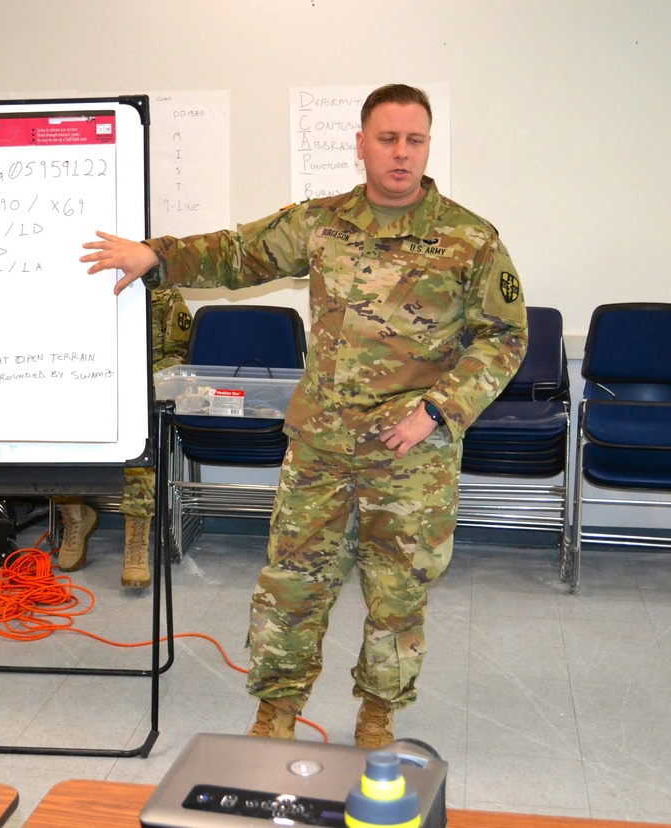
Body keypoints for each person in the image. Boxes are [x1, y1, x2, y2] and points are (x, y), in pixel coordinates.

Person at [79, 84, 527, 747]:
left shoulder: (470, 238)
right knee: (292, 585)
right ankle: (277, 710)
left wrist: (437, 410)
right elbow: (238, 252)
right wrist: (158, 254)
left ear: (428, 145)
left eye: (415, 140)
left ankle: (379, 711)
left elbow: (505, 338)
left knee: (397, 595)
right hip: (321, 448)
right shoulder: (322, 222)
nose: (401, 153)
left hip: (412, 456)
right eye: (387, 138)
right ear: (362, 145)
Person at [52, 287, 193, 588]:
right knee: (55, 440)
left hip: (140, 398)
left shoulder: (164, 296)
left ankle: (137, 545)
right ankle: (75, 519)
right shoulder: (78, 290)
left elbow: (178, 359)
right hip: (88, 391)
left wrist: (131, 379)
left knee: (137, 451)